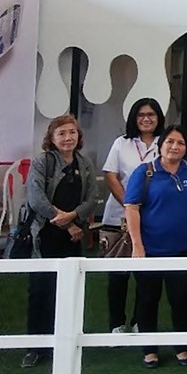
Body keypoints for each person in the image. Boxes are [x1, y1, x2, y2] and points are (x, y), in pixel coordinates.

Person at [21, 115, 99, 369]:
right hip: (44, 235)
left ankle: (64, 342)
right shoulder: (43, 162)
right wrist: (67, 222)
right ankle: (36, 347)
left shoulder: (85, 164)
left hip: (73, 237)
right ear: (52, 139)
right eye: (62, 133)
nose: (68, 138)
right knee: (41, 290)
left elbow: (91, 199)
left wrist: (76, 217)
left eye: (72, 132)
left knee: (68, 292)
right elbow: (36, 198)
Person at [124, 125, 187, 368]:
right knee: (147, 300)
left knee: (180, 299)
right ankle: (150, 350)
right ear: (161, 145)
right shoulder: (145, 172)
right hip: (149, 251)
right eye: (170, 142)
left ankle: (182, 347)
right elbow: (132, 208)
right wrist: (138, 245)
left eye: (180, 143)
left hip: (182, 249)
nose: (175, 147)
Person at [101, 97, 165, 335]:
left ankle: (141, 321)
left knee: (147, 276)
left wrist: (141, 209)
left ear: (158, 118)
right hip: (117, 217)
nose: (146, 119)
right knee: (118, 276)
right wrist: (130, 204)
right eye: (141, 115)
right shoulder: (122, 143)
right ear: (133, 118)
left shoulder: (165, 143)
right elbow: (110, 175)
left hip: (152, 218)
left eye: (151, 115)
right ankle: (116, 324)